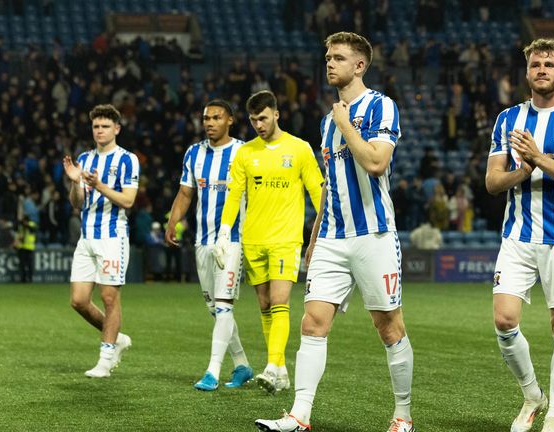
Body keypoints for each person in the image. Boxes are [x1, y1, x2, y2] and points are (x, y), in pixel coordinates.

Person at [255, 32, 414, 432]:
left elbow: (377, 163)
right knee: (313, 323)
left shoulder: (380, 106)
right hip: (331, 237)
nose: (329, 63)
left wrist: (346, 126)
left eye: (338, 57)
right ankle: (298, 416)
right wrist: (313, 240)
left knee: (388, 326)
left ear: (359, 65)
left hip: (374, 234)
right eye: (327, 56)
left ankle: (403, 416)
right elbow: (329, 185)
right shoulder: (328, 120)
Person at [484, 39, 554, 432]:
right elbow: (492, 182)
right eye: (536, 64)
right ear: (528, 71)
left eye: (550, 64)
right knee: (503, 319)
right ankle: (533, 395)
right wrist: (525, 169)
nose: (542, 69)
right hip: (517, 235)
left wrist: (540, 159)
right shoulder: (507, 120)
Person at [217, 90, 324, 395]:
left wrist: (324, 234)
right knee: (264, 304)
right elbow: (234, 194)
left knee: (279, 301)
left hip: (285, 239)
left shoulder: (299, 149)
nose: (258, 125)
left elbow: (319, 196)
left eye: (263, 118)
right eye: (253, 120)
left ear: (276, 114)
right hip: (253, 238)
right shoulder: (245, 153)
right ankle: (280, 370)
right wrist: (225, 232)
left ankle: (272, 366)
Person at [165, 99, 253, 391]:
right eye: (206, 118)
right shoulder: (194, 152)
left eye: (216, 117)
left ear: (230, 120)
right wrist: (172, 221)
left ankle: (212, 372)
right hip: (202, 242)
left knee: (224, 306)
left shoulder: (243, 151)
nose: (210, 123)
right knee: (215, 309)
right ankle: (241, 365)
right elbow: (185, 194)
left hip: (232, 241)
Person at [62, 104, 139, 378]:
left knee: (108, 297)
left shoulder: (127, 159)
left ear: (116, 129)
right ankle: (118, 338)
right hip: (87, 238)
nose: (100, 131)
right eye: (96, 126)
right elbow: (77, 203)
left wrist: (100, 186)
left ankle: (105, 360)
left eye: (105, 126)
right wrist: (75, 182)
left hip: (112, 237)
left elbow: (128, 200)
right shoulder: (85, 158)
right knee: (79, 301)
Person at [15, 215, 37, 282]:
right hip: (21, 247)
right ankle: (23, 279)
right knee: (22, 264)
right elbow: (18, 234)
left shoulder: (32, 224)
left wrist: (25, 225)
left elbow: (32, 230)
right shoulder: (21, 226)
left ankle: (30, 278)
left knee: (29, 264)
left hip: (29, 247)